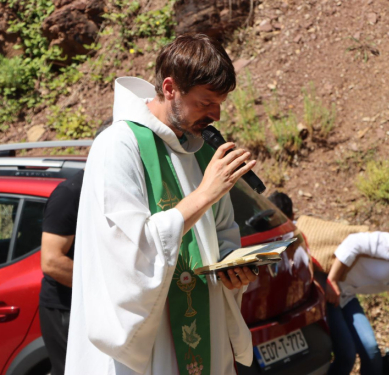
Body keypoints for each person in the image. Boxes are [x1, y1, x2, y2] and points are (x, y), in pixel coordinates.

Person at [64, 34, 258, 375]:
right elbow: (127, 253)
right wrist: (203, 195)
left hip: (206, 335)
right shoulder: (118, 146)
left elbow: (223, 233)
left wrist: (232, 268)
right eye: (206, 101)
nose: (216, 113)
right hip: (150, 351)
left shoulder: (202, 150)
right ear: (170, 88)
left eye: (220, 102)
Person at [39, 120, 111, 375]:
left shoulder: (114, 188)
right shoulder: (71, 193)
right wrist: (108, 288)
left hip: (97, 307)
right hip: (66, 308)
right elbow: (51, 261)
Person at [325, 231, 389, 375]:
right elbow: (354, 241)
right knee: (346, 356)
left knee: (371, 352)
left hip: (347, 296)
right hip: (326, 288)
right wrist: (332, 280)